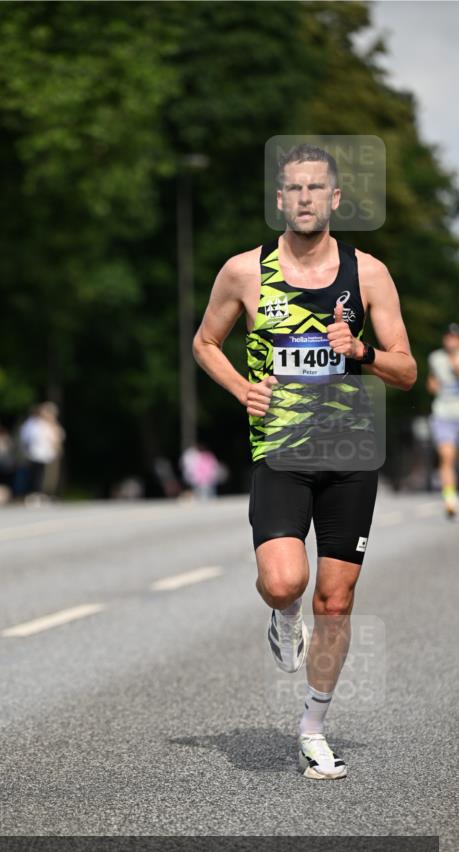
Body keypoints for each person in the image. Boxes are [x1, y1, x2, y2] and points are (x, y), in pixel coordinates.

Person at [193, 144, 416, 779]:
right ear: (280, 199)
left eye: (318, 188)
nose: (307, 198)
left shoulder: (368, 274)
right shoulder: (243, 271)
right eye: (295, 188)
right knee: (286, 581)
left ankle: (313, 728)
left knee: (338, 600)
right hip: (283, 451)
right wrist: (242, 389)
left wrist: (362, 352)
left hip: (351, 453)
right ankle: (282, 613)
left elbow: (406, 371)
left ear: (336, 198)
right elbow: (205, 341)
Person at [426, 322, 459, 517]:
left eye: (454, 337)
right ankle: (449, 499)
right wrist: (432, 384)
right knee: (446, 456)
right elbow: (433, 380)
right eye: (448, 337)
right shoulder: (435, 358)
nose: (450, 340)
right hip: (443, 413)